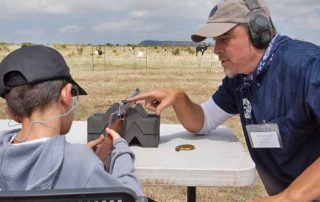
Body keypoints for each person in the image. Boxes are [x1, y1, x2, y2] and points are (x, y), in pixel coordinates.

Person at [128, 0, 320, 201]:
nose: (216, 49)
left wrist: (290, 197)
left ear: (259, 31)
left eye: (224, 38)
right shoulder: (241, 78)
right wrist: (179, 98)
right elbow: (203, 121)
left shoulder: (309, 67)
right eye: (215, 40)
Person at [0, 45, 143, 197]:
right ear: (66, 95)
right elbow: (131, 196)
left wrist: (72, 154)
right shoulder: (80, 164)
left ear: (11, 110)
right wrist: (121, 150)